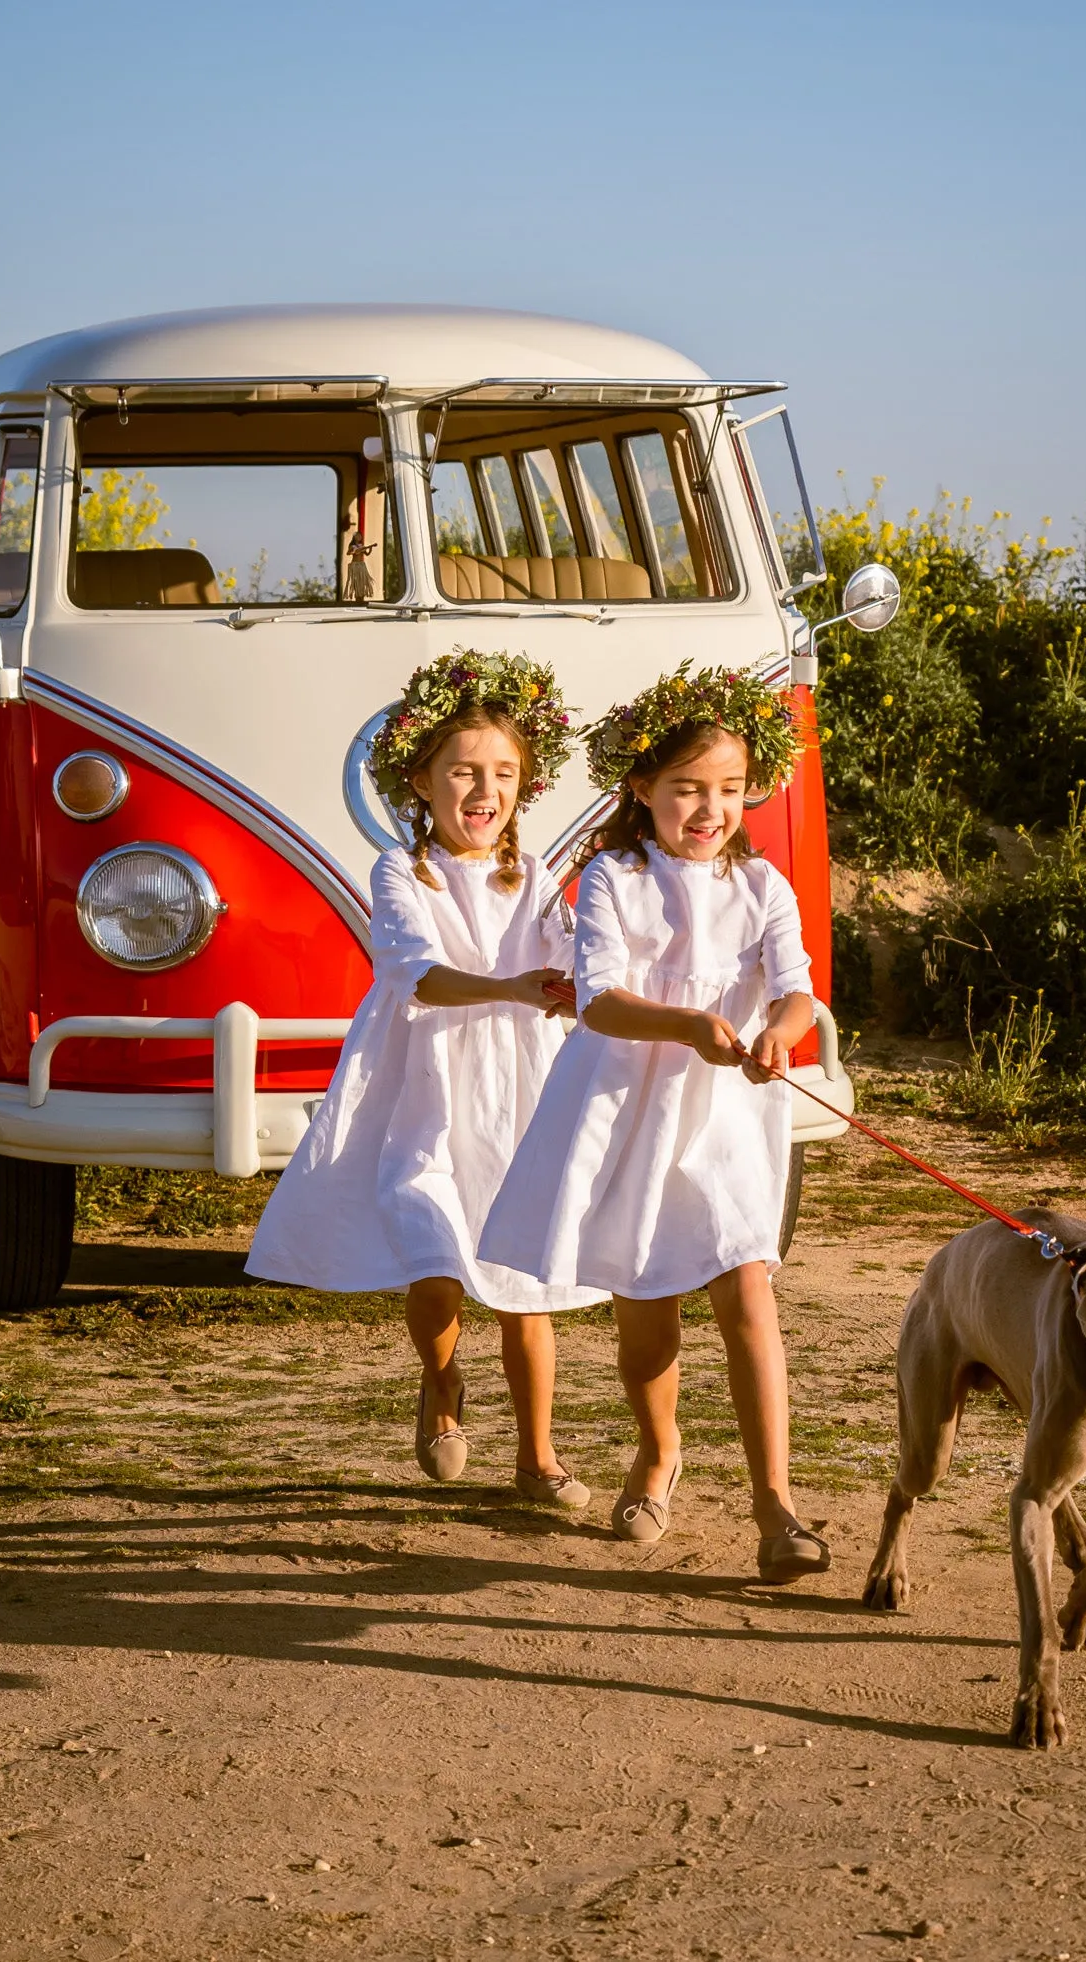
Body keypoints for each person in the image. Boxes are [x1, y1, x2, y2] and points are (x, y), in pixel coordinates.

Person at [481, 663, 830, 1582]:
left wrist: (778, 1036)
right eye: (686, 790)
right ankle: (659, 1450)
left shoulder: (763, 887)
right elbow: (598, 998)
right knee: (647, 1307)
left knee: (748, 1292)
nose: (709, 810)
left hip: (730, 1113)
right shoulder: (612, 878)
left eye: (727, 790)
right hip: (630, 1105)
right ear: (642, 789)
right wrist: (686, 1025)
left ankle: (776, 1506)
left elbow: (796, 990)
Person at [246, 649, 604, 1503]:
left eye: (505, 774)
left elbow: (571, 964)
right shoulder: (401, 872)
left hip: (517, 1089)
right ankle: (442, 1385)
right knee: (434, 1259)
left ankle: (538, 1457)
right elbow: (421, 976)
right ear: (421, 779)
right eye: (464, 771)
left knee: (526, 1286)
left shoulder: (537, 877)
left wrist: (573, 990)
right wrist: (512, 987)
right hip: (426, 1087)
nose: (485, 791)